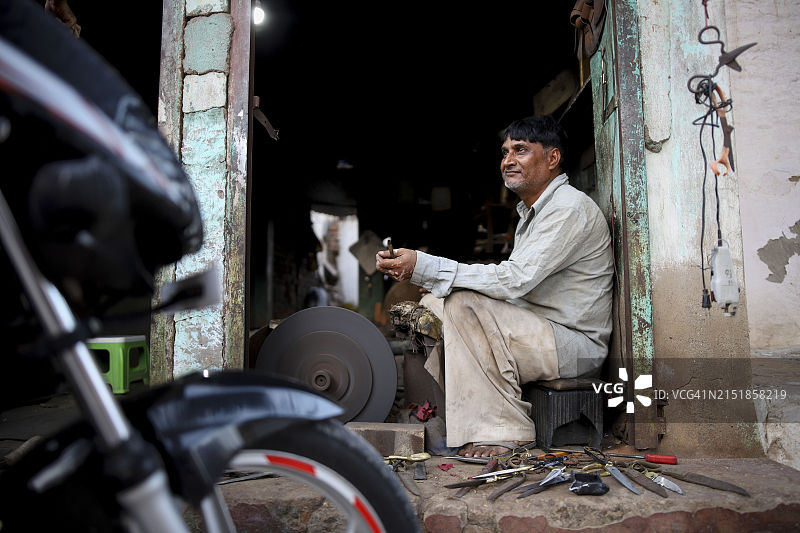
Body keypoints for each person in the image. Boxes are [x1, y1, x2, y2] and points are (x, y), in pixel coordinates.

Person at [376, 115, 613, 458]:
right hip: (542, 332)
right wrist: (438, 285)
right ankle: (451, 415)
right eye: (504, 152)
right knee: (435, 306)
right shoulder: (533, 213)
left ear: (552, 158)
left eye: (521, 150)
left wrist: (425, 266)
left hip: (575, 346)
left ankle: (504, 430)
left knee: (462, 305)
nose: (508, 161)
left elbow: (515, 279)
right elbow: (514, 281)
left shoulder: (569, 209)